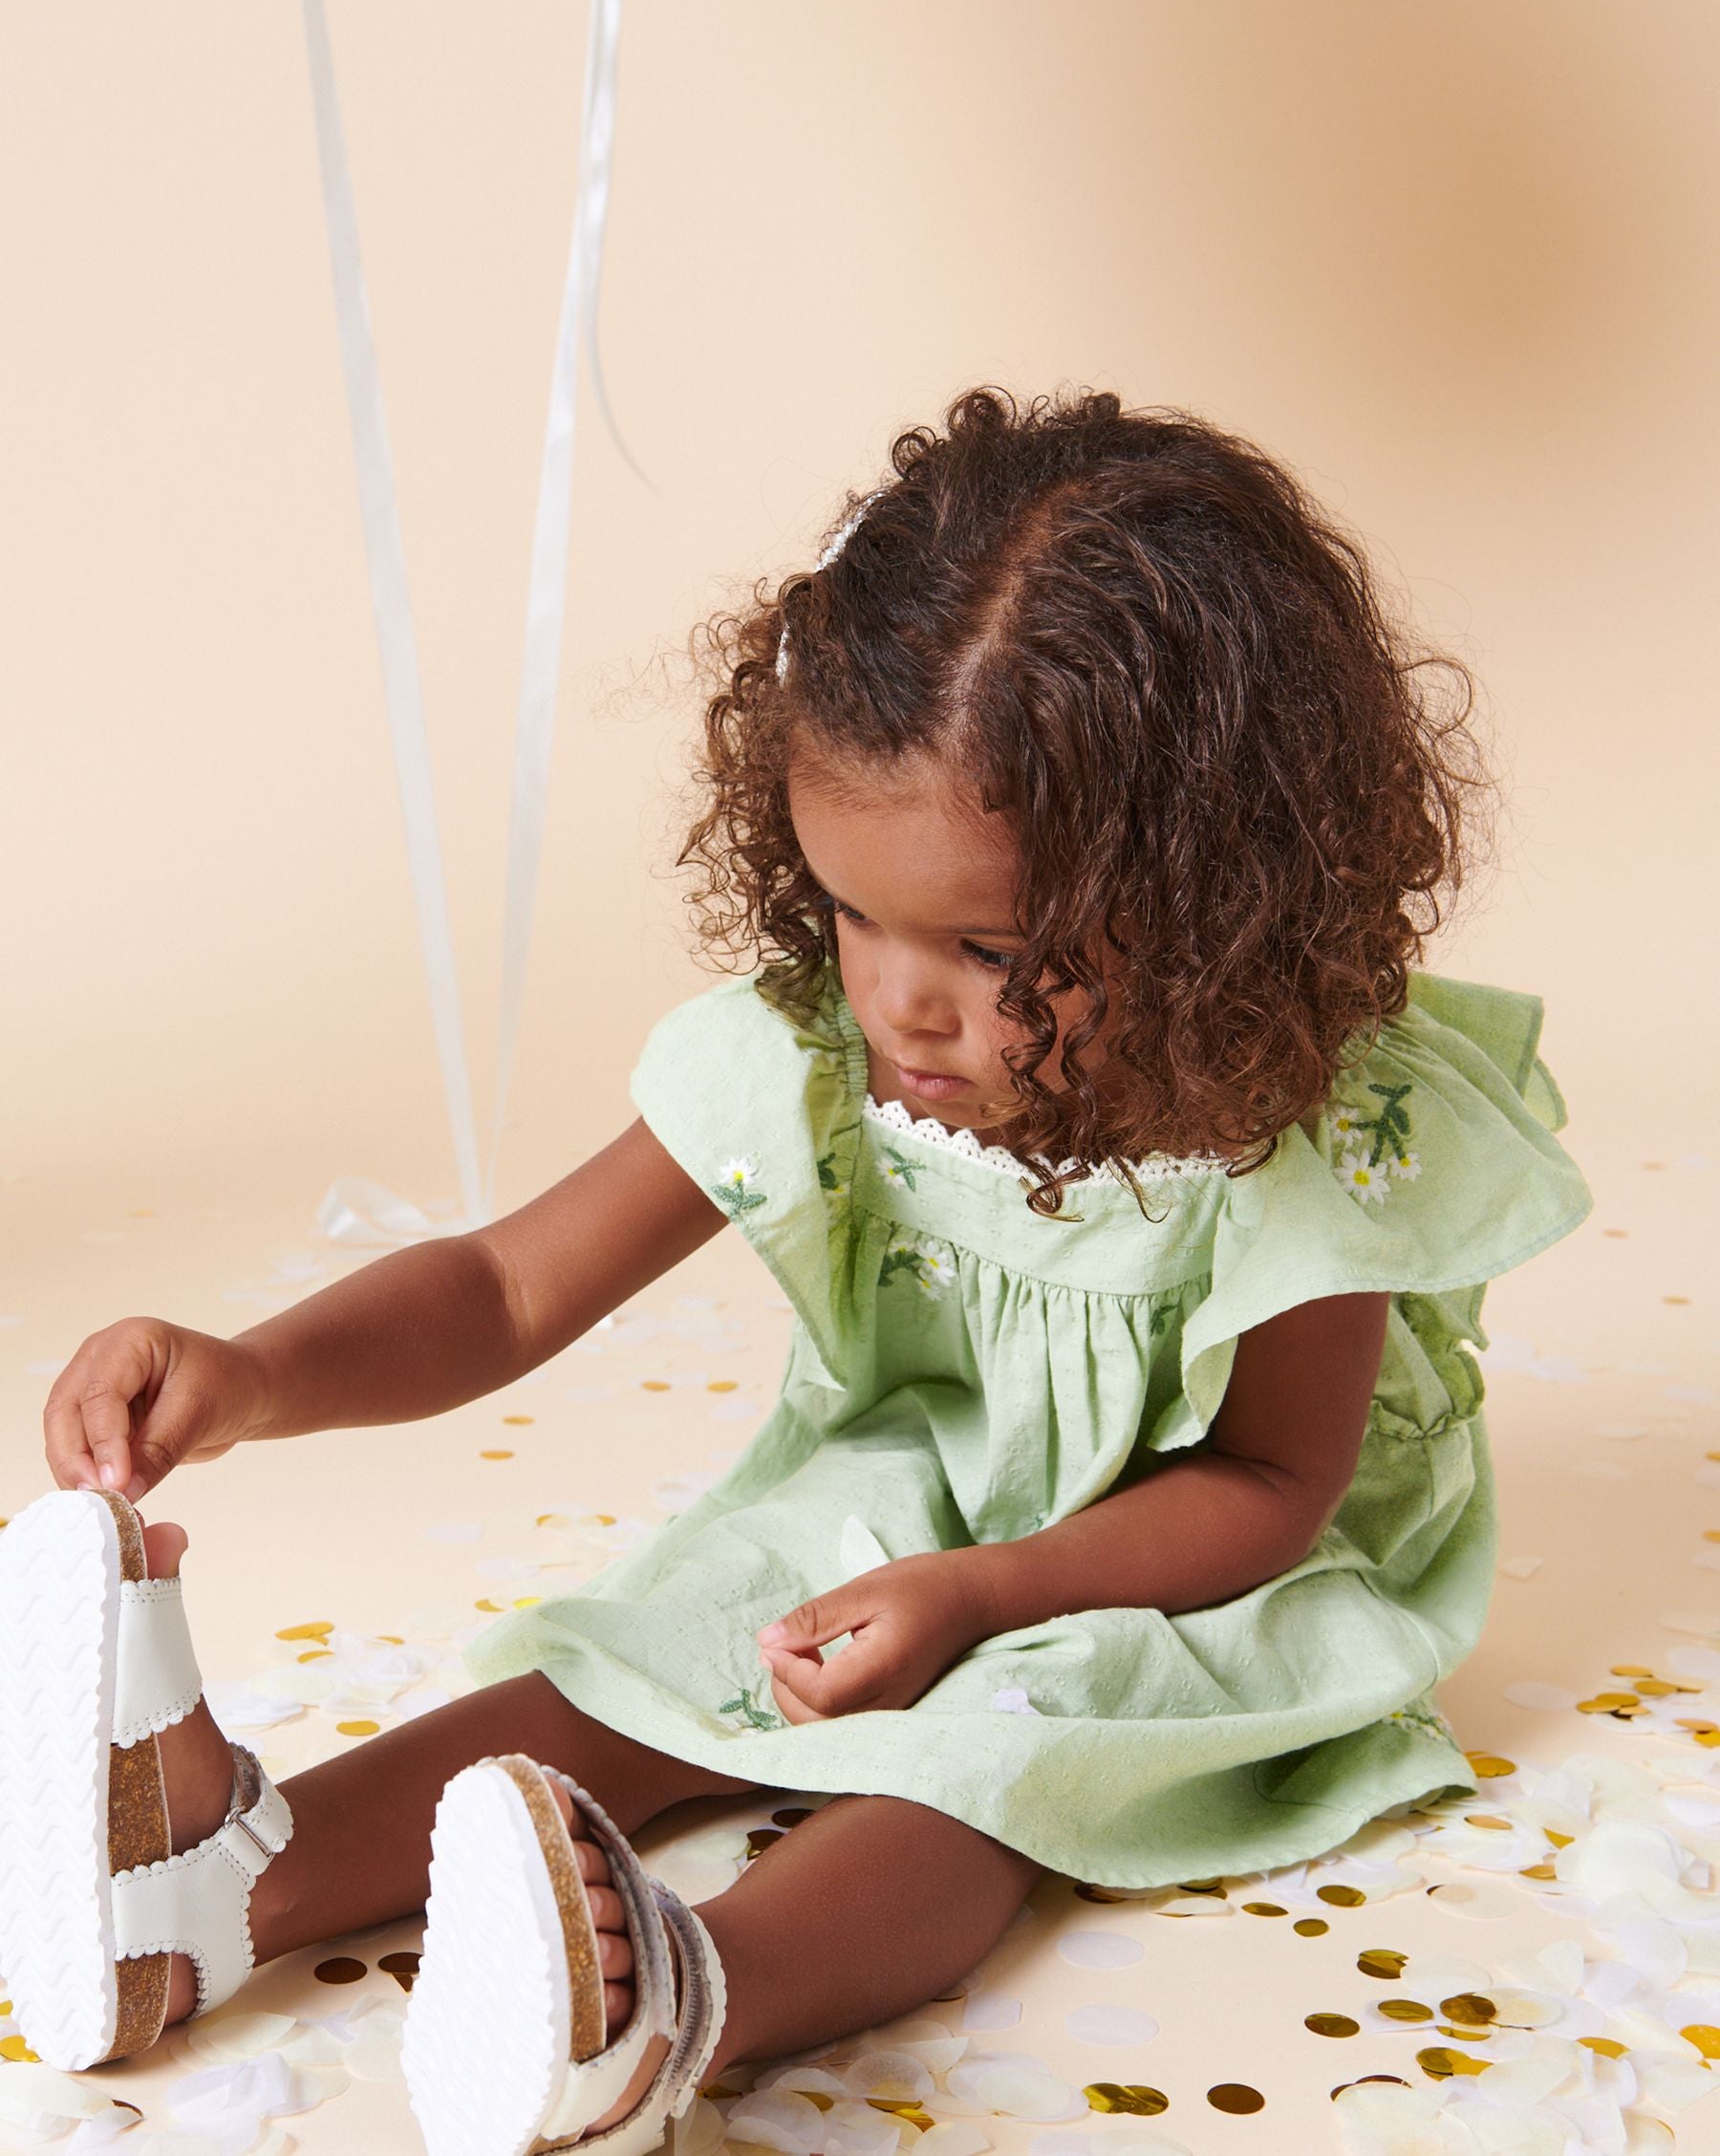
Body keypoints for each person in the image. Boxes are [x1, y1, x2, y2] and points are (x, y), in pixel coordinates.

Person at [0, 388, 1591, 2156]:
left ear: (1215, 898)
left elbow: (1276, 1480)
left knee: (993, 1756)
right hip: (910, 1493)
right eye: (851, 912)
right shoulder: (824, 1060)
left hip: (1186, 1570)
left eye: (991, 949)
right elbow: (511, 1289)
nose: (902, 999)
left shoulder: (1280, 1120)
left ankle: (676, 2004)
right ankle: (222, 1883)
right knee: (663, 1644)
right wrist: (256, 1373)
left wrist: (988, 1598)